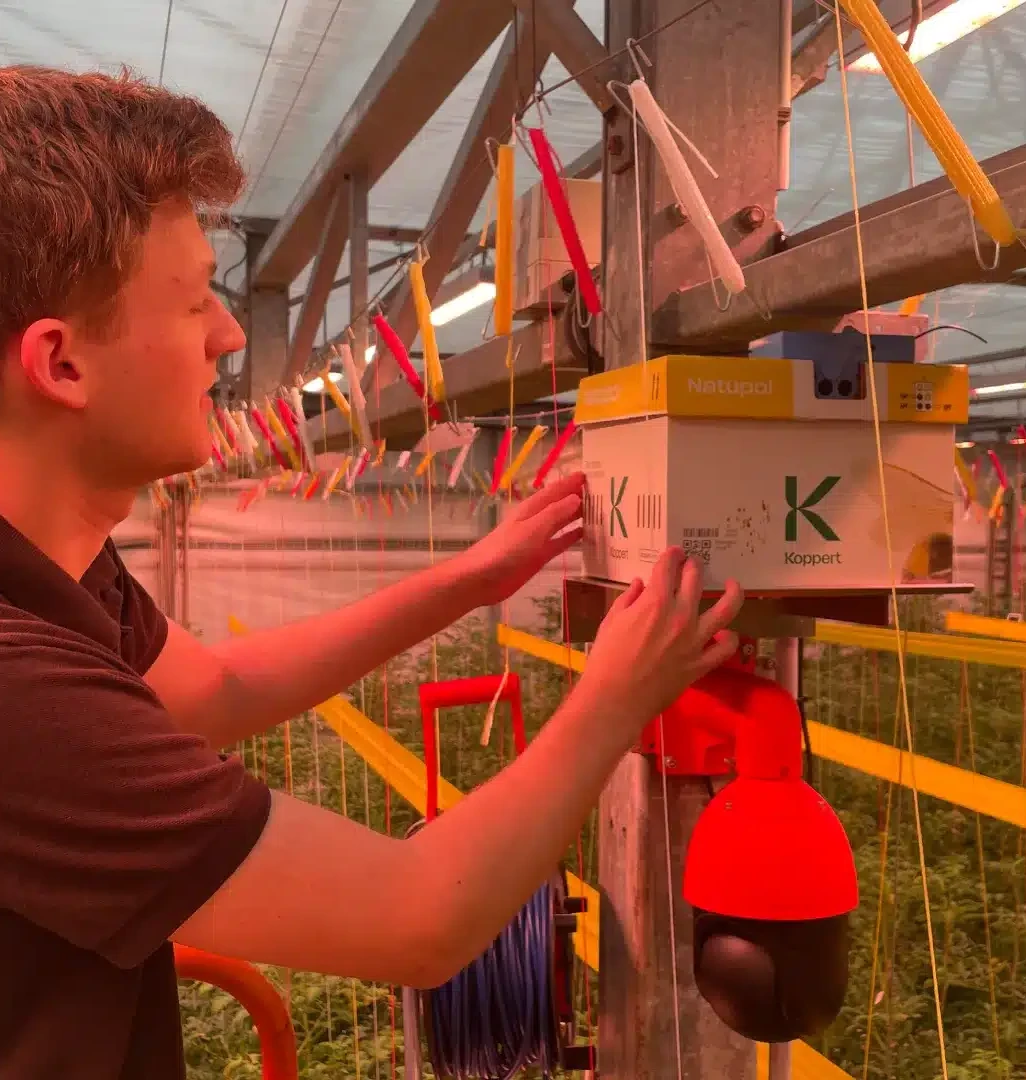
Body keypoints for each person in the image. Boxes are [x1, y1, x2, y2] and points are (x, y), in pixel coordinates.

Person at [0, 65, 744, 1079]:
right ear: (62, 365)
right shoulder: (17, 689)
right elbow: (419, 916)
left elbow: (214, 690)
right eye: (193, 306)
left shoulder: (58, 572)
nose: (228, 337)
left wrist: (469, 579)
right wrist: (615, 697)